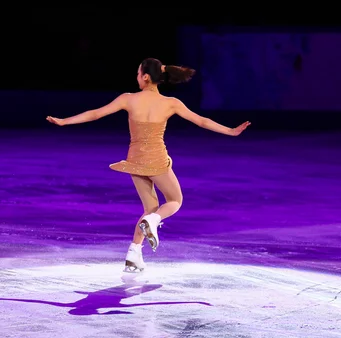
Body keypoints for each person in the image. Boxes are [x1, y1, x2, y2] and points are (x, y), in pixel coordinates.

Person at [47, 58, 250, 273]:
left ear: (145, 76)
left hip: (135, 159)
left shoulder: (128, 99)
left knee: (150, 207)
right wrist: (230, 131)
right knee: (174, 200)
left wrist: (65, 121)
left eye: (137, 73)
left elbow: (96, 113)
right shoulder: (171, 103)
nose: (136, 77)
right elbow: (202, 121)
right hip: (156, 159)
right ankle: (153, 221)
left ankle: (134, 255)